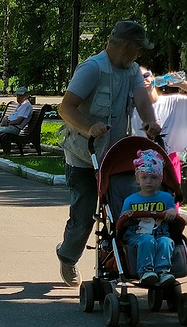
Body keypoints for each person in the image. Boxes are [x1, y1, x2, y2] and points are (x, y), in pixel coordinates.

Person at [56, 20, 162, 287]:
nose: (140, 54)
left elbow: (141, 101)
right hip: (83, 156)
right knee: (83, 218)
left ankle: (119, 262)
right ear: (126, 46)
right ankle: (68, 256)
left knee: (123, 212)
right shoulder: (92, 69)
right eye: (138, 48)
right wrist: (89, 127)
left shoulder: (132, 71)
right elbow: (66, 108)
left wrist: (150, 123)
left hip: (115, 157)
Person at [119, 149, 178, 286]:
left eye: (153, 178)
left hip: (161, 234)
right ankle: (145, 271)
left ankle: (163, 271)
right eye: (144, 178)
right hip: (136, 236)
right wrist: (126, 215)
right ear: (137, 179)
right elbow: (122, 220)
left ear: (160, 179)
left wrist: (171, 212)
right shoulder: (131, 200)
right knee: (147, 240)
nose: (149, 181)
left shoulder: (166, 198)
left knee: (166, 242)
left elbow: (173, 212)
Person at [131, 67, 187, 176]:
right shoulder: (132, 111)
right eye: (138, 79)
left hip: (170, 162)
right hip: (144, 166)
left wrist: (182, 84)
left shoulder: (174, 101)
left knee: (171, 193)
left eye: (146, 76)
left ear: (153, 77)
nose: (143, 80)